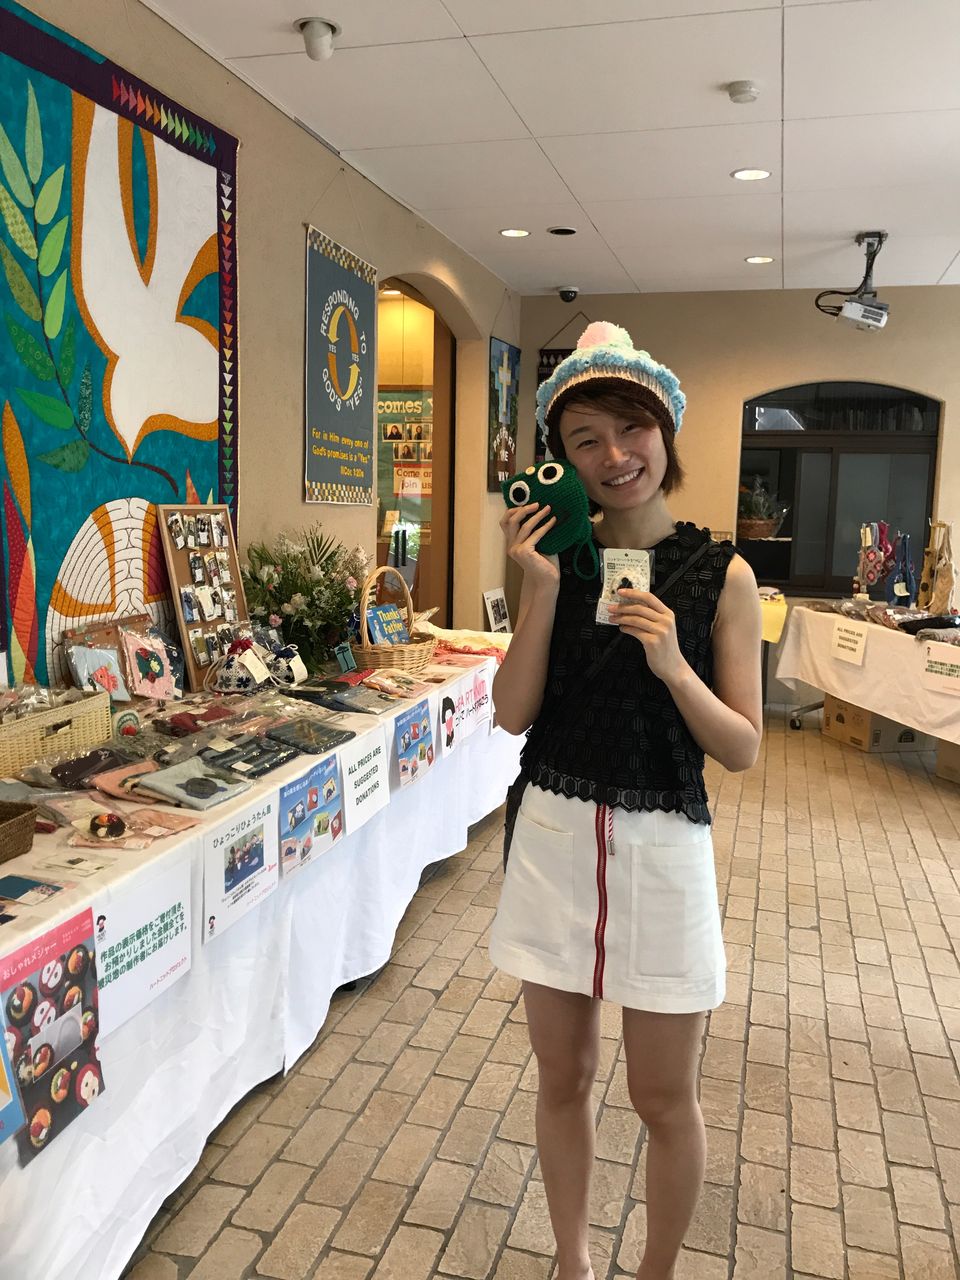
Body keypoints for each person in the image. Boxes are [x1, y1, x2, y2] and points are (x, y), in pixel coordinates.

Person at [489, 322, 762, 1280]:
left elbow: (743, 747)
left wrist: (675, 665)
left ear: (665, 432)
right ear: (561, 460)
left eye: (631, 429)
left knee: (662, 1096)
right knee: (563, 1077)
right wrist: (537, 587)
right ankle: (572, 1261)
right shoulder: (556, 563)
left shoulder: (723, 574)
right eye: (586, 440)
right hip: (555, 837)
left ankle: (655, 1272)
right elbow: (512, 713)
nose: (614, 456)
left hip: (662, 850)